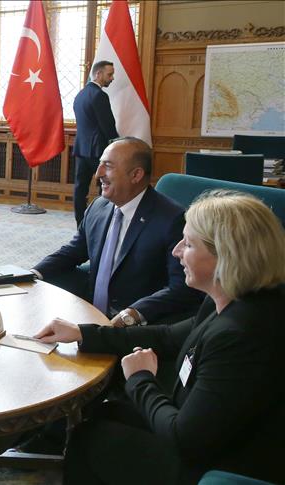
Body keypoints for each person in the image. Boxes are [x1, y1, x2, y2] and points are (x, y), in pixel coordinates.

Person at [34, 190, 285, 484]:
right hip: (208, 431)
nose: (176, 251)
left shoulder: (240, 336)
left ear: (226, 257)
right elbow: (167, 336)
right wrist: (83, 333)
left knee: (90, 440)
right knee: (107, 413)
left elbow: (184, 439)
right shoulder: (229, 298)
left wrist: (140, 379)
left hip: (225, 464)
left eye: (188, 244)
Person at [32, 137, 203, 327]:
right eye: (100, 165)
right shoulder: (98, 206)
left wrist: (133, 314)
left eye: (108, 166)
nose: (98, 173)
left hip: (139, 326)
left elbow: (182, 287)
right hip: (91, 312)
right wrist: (33, 273)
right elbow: (73, 251)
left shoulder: (172, 219)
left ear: (136, 175)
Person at [73, 60, 119, 225]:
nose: (112, 78)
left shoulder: (80, 95)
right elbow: (108, 126)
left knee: (80, 188)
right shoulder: (100, 95)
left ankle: (80, 223)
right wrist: (119, 143)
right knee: (106, 187)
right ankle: (101, 223)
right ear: (98, 74)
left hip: (81, 149)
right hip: (98, 151)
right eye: (109, 74)